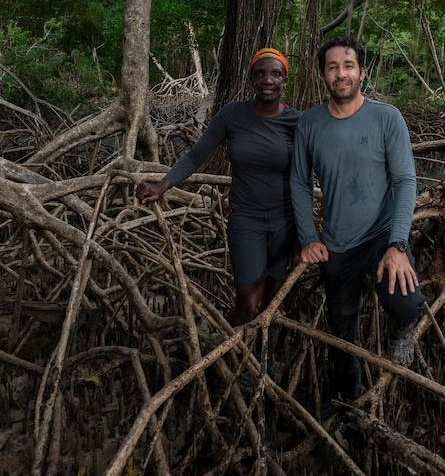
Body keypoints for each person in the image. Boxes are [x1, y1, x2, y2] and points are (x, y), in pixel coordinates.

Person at [290, 35, 425, 401]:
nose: (341, 74)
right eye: (333, 67)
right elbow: (299, 184)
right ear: (323, 76)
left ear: (361, 73)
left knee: (409, 303)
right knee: (341, 334)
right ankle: (349, 401)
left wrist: (397, 243)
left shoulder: (387, 117)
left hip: (382, 236)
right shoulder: (309, 124)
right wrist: (307, 238)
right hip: (337, 243)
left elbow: (405, 180)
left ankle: (401, 330)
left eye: (348, 66)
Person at [136, 48, 300, 327]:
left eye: (276, 74)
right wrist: (163, 185)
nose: (268, 80)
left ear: (285, 80)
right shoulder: (232, 114)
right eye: (260, 74)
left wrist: (302, 238)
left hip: (286, 224)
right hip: (245, 220)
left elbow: (306, 178)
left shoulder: (298, 122)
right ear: (251, 79)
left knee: (277, 303)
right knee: (249, 303)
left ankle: (266, 365)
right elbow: (196, 155)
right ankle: (232, 353)